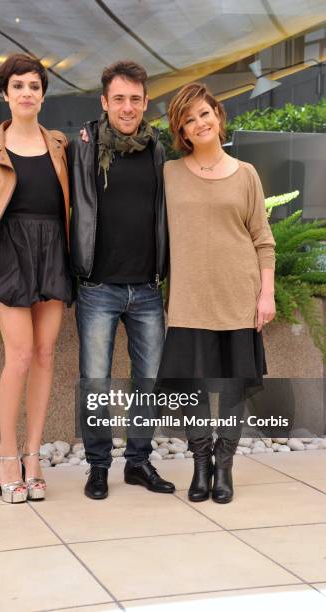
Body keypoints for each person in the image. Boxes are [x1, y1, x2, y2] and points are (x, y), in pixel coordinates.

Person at [157, 82, 276, 503]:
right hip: (189, 302)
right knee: (192, 390)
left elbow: (263, 239)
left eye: (203, 113)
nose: (198, 123)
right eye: (188, 120)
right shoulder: (169, 173)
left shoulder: (246, 174)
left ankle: (224, 467)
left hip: (237, 300)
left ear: (218, 116)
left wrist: (266, 294)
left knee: (229, 390)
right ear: (182, 132)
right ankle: (200, 464)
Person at [0, 54, 72, 503]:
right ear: (5, 94)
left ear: (43, 95)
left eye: (34, 86)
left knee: (46, 353)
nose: (27, 93)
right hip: (9, 253)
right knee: (20, 355)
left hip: (53, 251)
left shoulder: (60, 144)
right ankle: (7, 453)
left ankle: (33, 454)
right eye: (19, 86)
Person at [68, 60, 175, 499]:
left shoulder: (158, 149)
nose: (127, 107)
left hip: (147, 288)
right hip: (97, 287)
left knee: (148, 381)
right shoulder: (83, 147)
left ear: (146, 102)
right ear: (104, 102)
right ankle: (97, 467)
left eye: (135, 99)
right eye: (119, 99)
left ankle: (138, 463)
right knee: (95, 383)